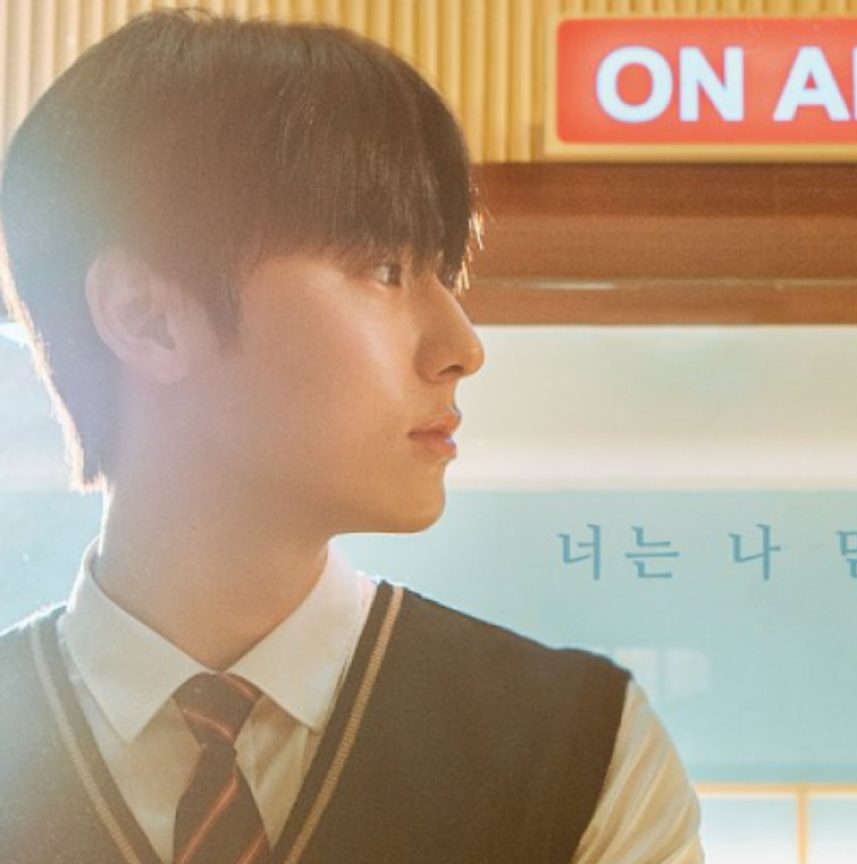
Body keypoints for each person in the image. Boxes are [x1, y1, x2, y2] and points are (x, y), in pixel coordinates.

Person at [0, 10, 702, 863]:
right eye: (384, 269)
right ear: (148, 317)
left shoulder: (581, 753)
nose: (462, 347)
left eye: (445, 274)